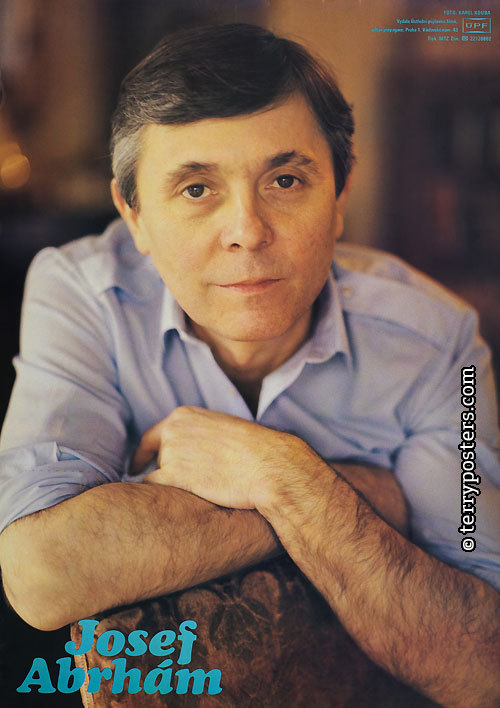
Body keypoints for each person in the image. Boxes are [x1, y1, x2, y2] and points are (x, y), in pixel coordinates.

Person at [0, 23, 499, 707]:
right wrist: (373, 493)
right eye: (196, 189)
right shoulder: (80, 292)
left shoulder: (444, 344)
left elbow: (484, 663)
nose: (247, 231)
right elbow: (42, 576)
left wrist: (287, 476)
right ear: (134, 215)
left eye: (285, 180)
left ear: (340, 196)